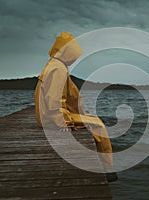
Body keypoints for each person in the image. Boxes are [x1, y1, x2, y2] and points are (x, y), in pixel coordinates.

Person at [34, 32, 117, 182]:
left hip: (46, 115)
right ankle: (108, 169)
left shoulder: (53, 64)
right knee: (99, 125)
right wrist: (61, 121)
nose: (75, 57)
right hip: (51, 118)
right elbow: (53, 98)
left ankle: (106, 165)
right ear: (67, 51)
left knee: (92, 119)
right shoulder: (58, 69)